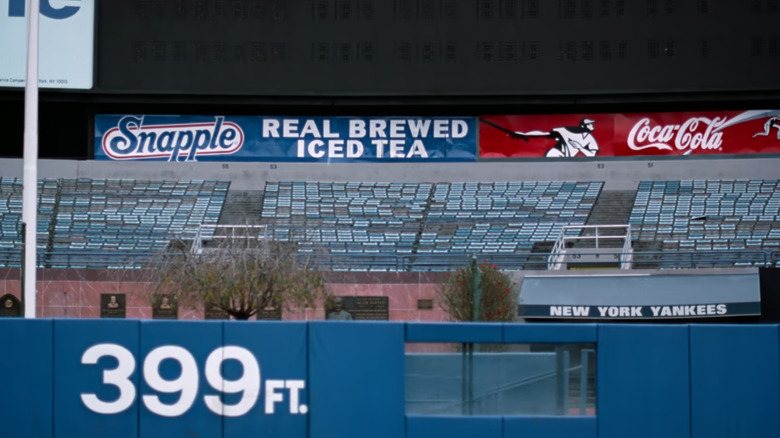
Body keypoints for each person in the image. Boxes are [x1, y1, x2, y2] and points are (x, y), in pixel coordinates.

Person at [512, 118, 599, 158]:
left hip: (567, 159)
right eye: (590, 124)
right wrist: (523, 134)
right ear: (583, 126)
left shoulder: (590, 138)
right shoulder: (565, 131)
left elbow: (591, 155)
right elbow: (543, 134)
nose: (592, 125)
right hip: (556, 154)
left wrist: (579, 147)